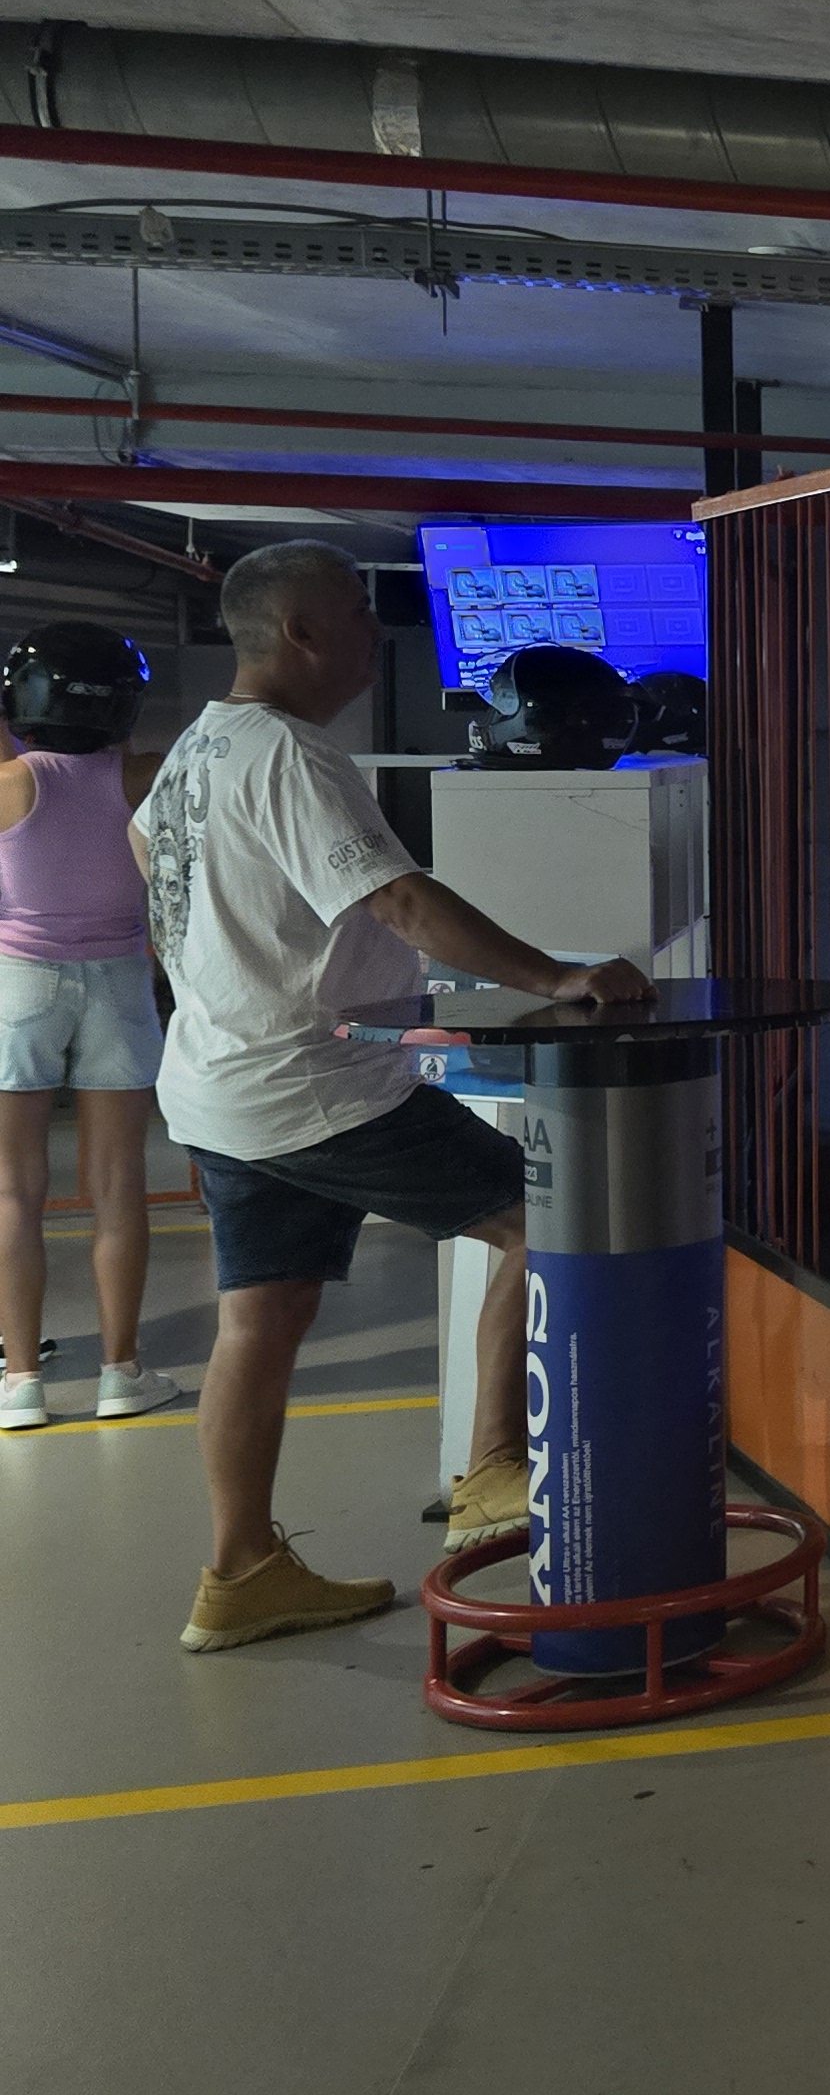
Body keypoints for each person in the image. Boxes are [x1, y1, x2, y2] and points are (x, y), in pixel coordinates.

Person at [135, 542, 650, 1652]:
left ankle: (240, 1574)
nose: (377, 636)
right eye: (358, 617)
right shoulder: (291, 754)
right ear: (300, 633)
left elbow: (151, 862)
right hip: (320, 1085)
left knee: (258, 1318)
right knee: (546, 1222)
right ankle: (493, 1466)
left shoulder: (199, 746)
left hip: (222, 1081)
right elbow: (401, 901)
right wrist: (556, 978)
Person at [0, 622, 175, 1431]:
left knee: (13, 1191)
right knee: (117, 1187)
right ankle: (119, 1373)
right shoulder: (144, 775)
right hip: (119, 985)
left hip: (18, 985)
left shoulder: (9, 783)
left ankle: (22, 1383)